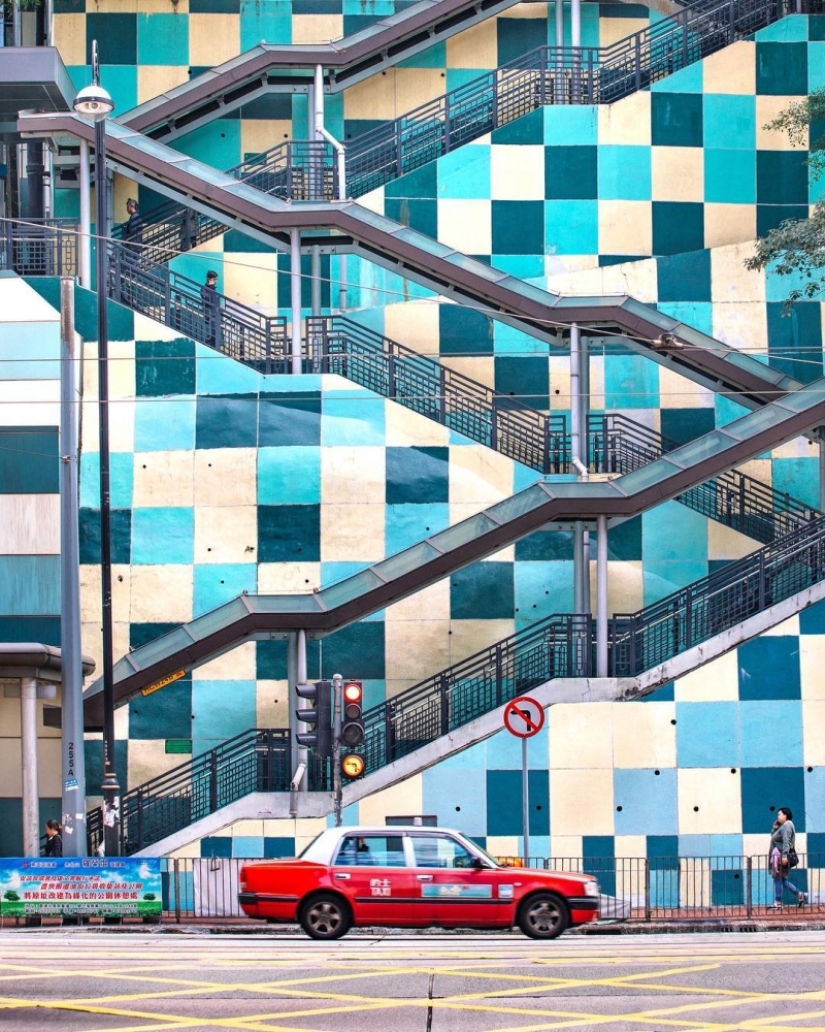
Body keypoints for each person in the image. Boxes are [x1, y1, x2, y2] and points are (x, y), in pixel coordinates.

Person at [769, 807, 806, 908]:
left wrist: (784, 856)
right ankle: (800, 895)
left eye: (779, 814)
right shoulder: (783, 826)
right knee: (782, 880)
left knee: (778, 879)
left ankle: (778, 902)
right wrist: (775, 828)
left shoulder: (787, 826)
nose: (778, 816)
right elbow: (774, 838)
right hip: (780, 857)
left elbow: (786, 841)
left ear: (785, 815)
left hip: (781, 857)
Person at [200, 269, 221, 349]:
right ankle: (210, 345)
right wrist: (211, 288)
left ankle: (211, 345)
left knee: (216, 333)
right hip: (210, 314)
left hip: (216, 314)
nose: (216, 281)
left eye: (216, 279)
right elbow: (207, 300)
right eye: (215, 279)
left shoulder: (214, 289)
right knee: (214, 333)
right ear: (210, 279)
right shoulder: (204, 289)